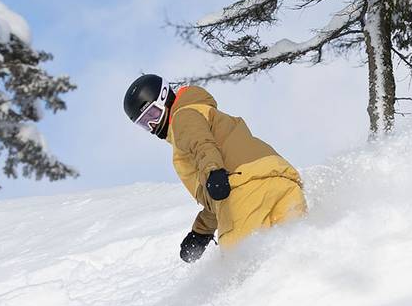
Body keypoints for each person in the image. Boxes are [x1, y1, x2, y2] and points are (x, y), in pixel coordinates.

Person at [123, 74, 306, 262]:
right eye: (145, 124)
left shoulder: (182, 117)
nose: (153, 126)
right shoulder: (206, 114)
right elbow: (219, 192)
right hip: (280, 180)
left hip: (245, 191)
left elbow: (202, 145)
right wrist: (201, 232)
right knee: (296, 256)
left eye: (153, 114)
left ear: (164, 97)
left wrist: (213, 171)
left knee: (244, 269)